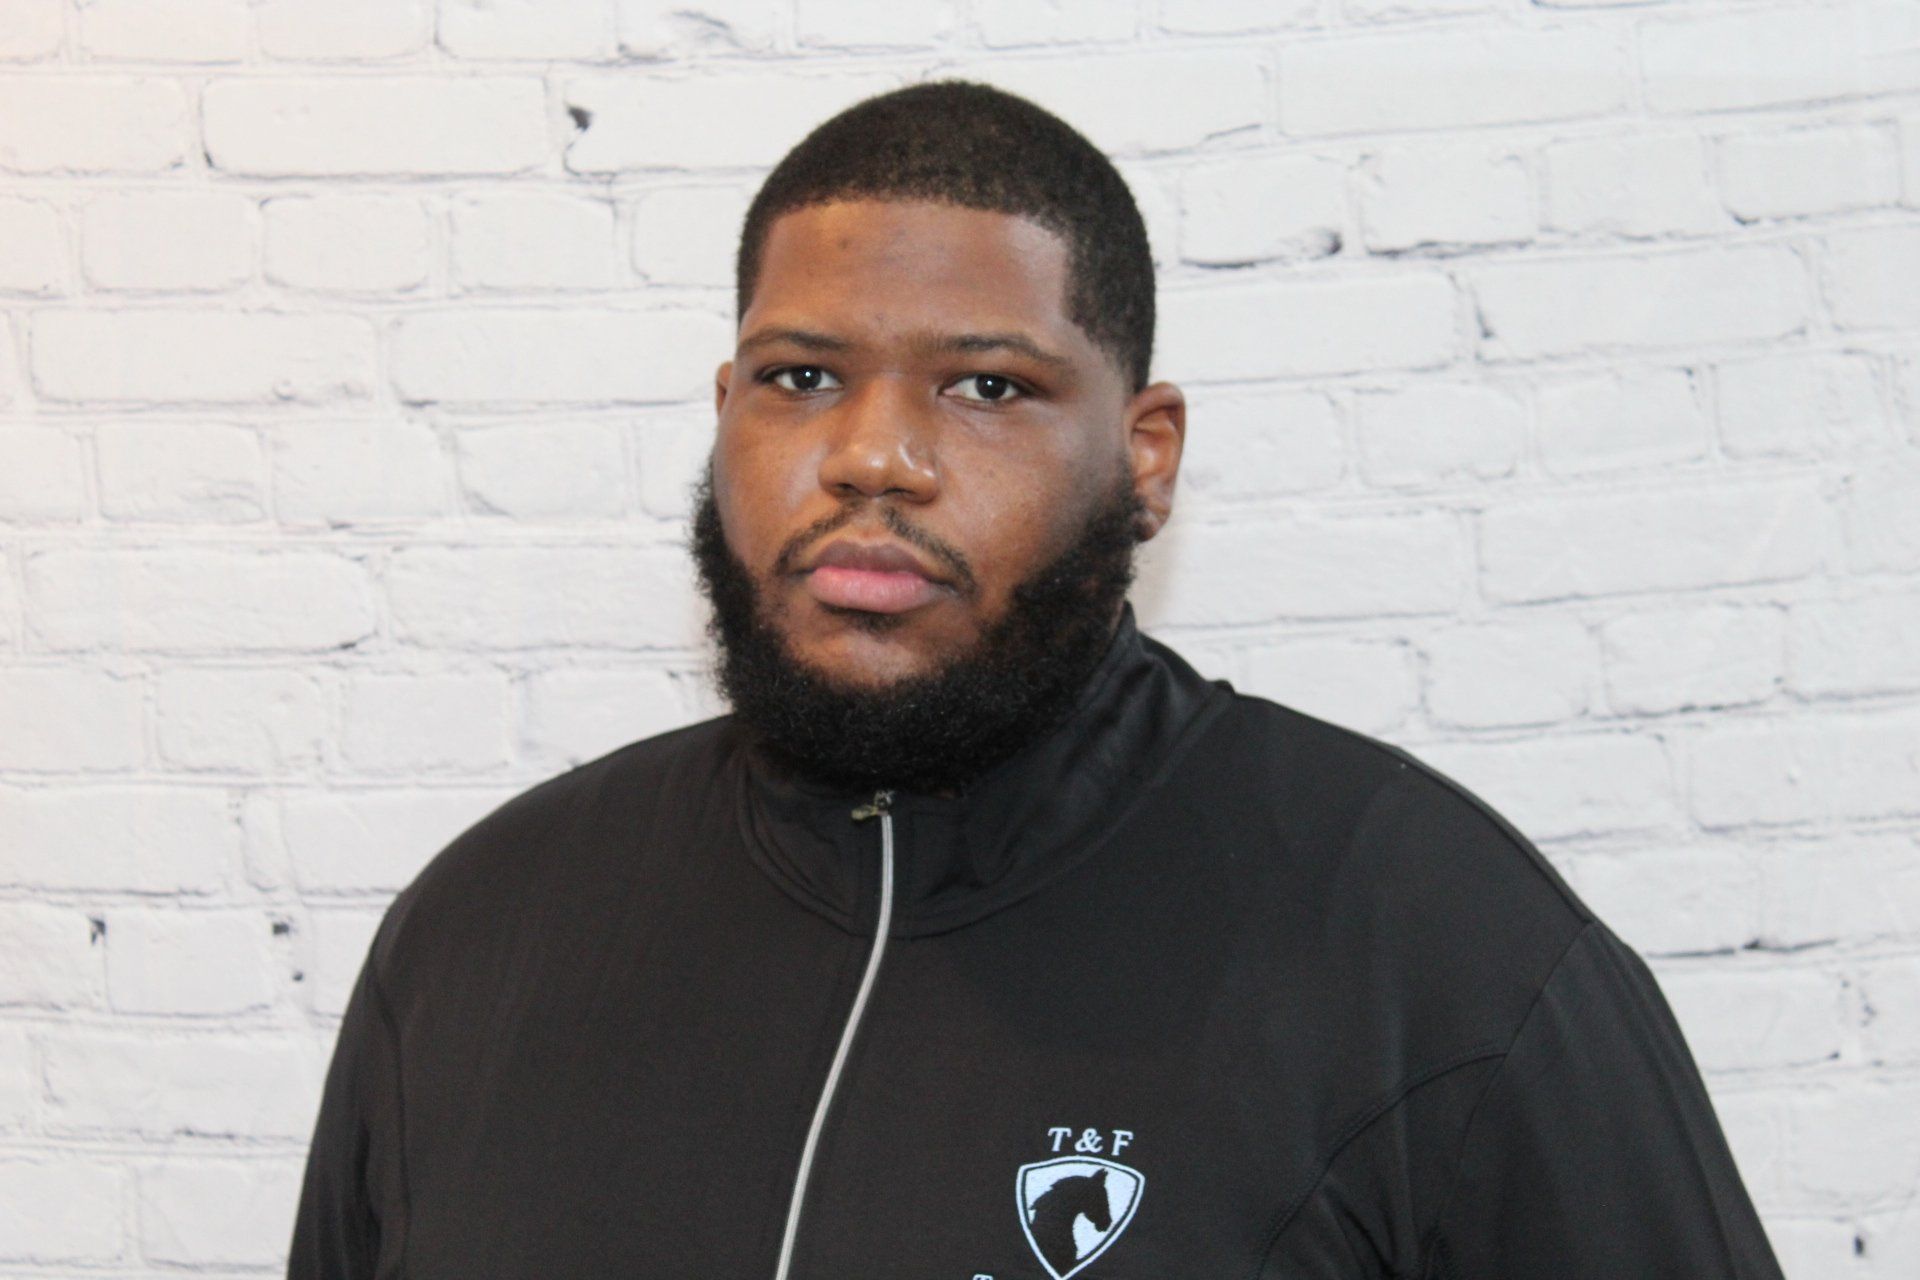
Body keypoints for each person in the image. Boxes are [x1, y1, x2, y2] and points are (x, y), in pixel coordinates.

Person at [287, 81, 1785, 1280]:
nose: (873, 454)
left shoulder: (1432, 945)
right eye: (801, 376)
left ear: (1145, 456)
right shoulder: (483, 937)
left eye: (987, 387)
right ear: (726, 408)